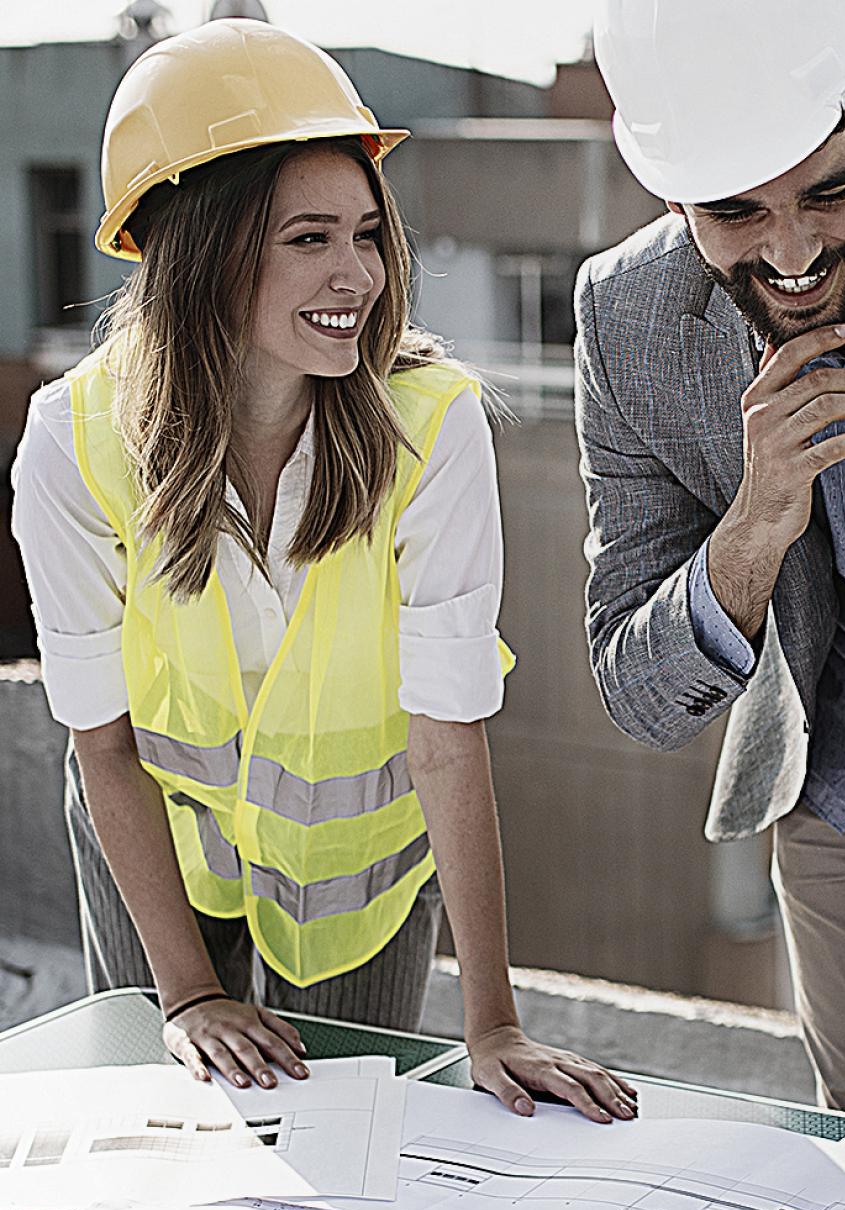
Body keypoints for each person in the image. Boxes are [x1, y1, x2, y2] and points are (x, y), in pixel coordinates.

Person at [13, 18, 636, 1124]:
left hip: (362, 882)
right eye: (309, 239)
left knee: (355, 1145)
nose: (359, 274)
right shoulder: (75, 439)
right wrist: (190, 992)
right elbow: (102, 745)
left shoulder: (429, 427)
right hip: (157, 844)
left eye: (365, 233)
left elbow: (449, 737)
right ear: (197, 252)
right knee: (170, 1135)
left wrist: (490, 1019)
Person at [577, 0, 845, 1134]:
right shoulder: (624, 321)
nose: (793, 252)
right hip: (832, 794)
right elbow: (635, 685)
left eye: (831, 191)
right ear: (674, 200)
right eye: (733, 212)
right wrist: (754, 522)